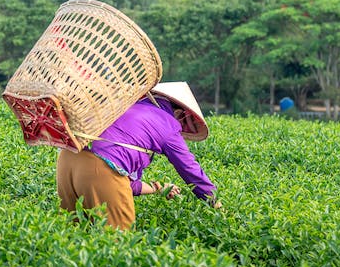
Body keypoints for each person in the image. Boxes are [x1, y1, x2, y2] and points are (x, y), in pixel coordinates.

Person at [55, 81, 221, 231]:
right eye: (184, 124)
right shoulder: (168, 124)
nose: (180, 130)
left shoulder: (126, 106)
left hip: (67, 159)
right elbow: (190, 169)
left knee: (75, 233)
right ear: (179, 112)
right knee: (118, 244)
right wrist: (215, 202)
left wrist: (159, 188)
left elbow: (123, 184)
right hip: (99, 167)